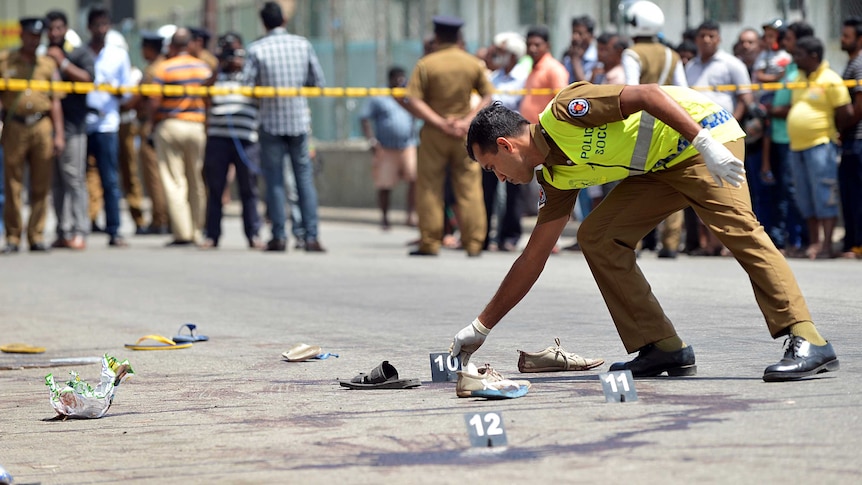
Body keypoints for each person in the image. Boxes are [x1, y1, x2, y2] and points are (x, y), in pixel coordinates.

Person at [450, 81, 840, 383]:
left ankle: (808, 337)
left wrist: (704, 142)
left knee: (739, 228)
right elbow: (532, 258)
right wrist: (480, 327)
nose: (499, 178)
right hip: (663, 166)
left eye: (492, 168)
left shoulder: (565, 112)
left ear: (505, 145)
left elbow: (649, 95)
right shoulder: (556, 179)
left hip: (705, 139)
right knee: (598, 237)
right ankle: (662, 346)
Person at [401, 15, 494, 257]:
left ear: (437, 36)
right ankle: (474, 243)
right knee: (470, 187)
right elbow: (488, 97)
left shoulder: (426, 64)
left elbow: (413, 99)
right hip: (465, 133)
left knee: (430, 187)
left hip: (435, 133)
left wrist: (440, 122)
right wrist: (466, 120)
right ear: (458, 37)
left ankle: (430, 242)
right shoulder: (472, 63)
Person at [244, 1, 327, 253]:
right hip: (298, 121)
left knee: (275, 180)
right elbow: (318, 83)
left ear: (263, 23)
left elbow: (247, 87)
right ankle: (310, 236)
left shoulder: (257, 48)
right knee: (304, 179)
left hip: (270, 121)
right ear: (284, 20)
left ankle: (279, 236)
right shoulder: (302, 45)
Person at [621, 0, 688, 259]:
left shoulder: (632, 53)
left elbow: (630, 89)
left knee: (635, 182)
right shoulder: (673, 54)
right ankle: (670, 244)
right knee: (671, 179)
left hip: (643, 125)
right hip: (671, 123)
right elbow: (683, 89)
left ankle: (632, 242)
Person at [0, 17, 65, 254]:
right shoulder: (5, 60)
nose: (33, 40)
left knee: (41, 184)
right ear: (21, 35)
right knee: (13, 184)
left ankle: (36, 235)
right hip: (14, 126)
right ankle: (13, 236)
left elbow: (55, 101)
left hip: (41, 126)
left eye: (37, 36)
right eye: (30, 35)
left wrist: (59, 134)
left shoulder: (47, 64)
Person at [787, 36, 853, 259]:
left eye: (799, 54)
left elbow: (845, 112)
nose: (795, 58)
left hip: (821, 146)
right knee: (804, 196)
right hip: (796, 147)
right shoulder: (797, 77)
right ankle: (814, 243)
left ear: (813, 56)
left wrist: (834, 133)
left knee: (824, 193)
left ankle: (826, 244)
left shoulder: (831, 79)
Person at [144, 28, 212, 246]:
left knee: (175, 181)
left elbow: (154, 101)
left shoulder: (164, 68)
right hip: (197, 127)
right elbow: (210, 99)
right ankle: (198, 230)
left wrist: (151, 124)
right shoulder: (203, 68)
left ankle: (182, 233)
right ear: (190, 45)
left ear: (171, 47)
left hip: (171, 125)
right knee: (196, 180)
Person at [201, 32, 263, 249]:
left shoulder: (250, 73)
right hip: (218, 139)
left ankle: (254, 234)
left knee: (249, 189)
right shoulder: (216, 75)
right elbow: (203, 94)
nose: (231, 56)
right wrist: (218, 67)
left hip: (246, 139)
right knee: (215, 188)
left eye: (234, 51)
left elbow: (260, 94)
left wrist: (242, 65)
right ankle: (211, 234)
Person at [45, 10, 94, 251]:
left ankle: (79, 230)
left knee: (74, 179)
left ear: (65, 29)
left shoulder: (78, 52)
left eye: (58, 28)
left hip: (73, 126)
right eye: (50, 29)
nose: (54, 33)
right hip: (48, 128)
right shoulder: (41, 56)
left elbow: (88, 79)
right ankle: (62, 230)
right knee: (56, 183)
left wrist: (62, 62)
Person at [85, 7, 131, 247]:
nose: (101, 30)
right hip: (83, 123)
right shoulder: (80, 54)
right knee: (79, 180)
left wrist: (113, 88)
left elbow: (127, 92)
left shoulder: (118, 55)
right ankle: (81, 226)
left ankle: (114, 229)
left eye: (105, 24)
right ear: (89, 27)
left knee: (110, 179)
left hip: (107, 123)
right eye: (97, 25)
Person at [481, 32, 530, 252]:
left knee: (514, 189)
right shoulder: (493, 78)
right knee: (488, 188)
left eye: (501, 52)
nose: (497, 56)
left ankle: (509, 235)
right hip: (492, 140)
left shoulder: (524, 77)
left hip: (514, 140)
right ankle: (485, 235)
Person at [359, 66, 417, 230]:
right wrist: (372, 140)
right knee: (385, 184)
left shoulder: (408, 96)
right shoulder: (379, 97)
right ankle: (384, 217)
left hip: (407, 145)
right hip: (386, 148)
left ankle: (410, 215)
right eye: (397, 79)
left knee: (414, 179)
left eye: (402, 78)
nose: (400, 82)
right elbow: (364, 118)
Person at [134, 31, 169, 235]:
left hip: (152, 125)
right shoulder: (167, 65)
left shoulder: (152, 71)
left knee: (154, 177)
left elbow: (144, 99)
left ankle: (159, 219)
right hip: (166, 124)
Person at [839, 17, 862, 259]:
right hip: (850, 140)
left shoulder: (860, 63)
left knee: (857, 194)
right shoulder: (851, 63)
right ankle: (852, 243)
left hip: (858, 139)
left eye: (846, 36)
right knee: (849, 194)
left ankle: (858, 245)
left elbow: (859, 107)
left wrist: (840, 126)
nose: (842, 40)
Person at [562, 15, 598, 83]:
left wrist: (576, 61)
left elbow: (585, 88)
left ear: (591, 36)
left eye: (580, 34)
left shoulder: (597, 59)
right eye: (573, 33)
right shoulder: (568, 57)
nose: (574, 37)